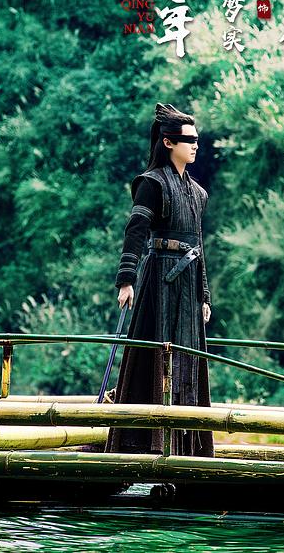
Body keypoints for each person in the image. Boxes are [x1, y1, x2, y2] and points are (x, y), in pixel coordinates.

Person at [104, 102, 214, 457]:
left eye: (196, 139)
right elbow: (136, 230)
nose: (195, 145)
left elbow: (198, 246)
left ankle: (187, 447)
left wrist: (204, 295)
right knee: (152, 355)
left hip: (188, 285)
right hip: (158, 280)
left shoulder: (198, 193)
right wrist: (126, 279)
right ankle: (140, 442)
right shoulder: (151, 184)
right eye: (188, 140)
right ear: (168, 142)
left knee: (188, 359)